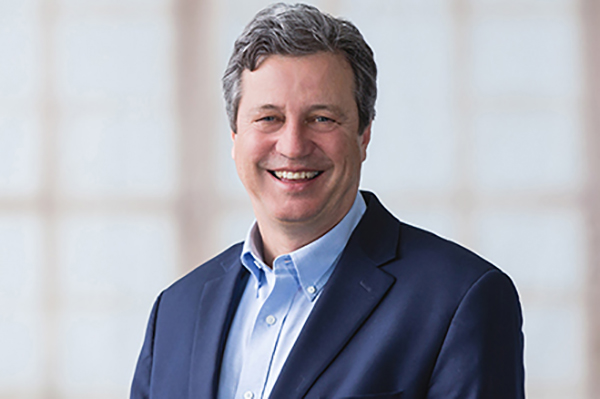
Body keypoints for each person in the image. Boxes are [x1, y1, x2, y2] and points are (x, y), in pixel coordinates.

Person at [130, 3, 525, 399]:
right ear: (235, 137)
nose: (293, 146)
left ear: (364, 134)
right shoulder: (175, 311)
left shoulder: (461, 300)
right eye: (268, 118)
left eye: (322, 118)